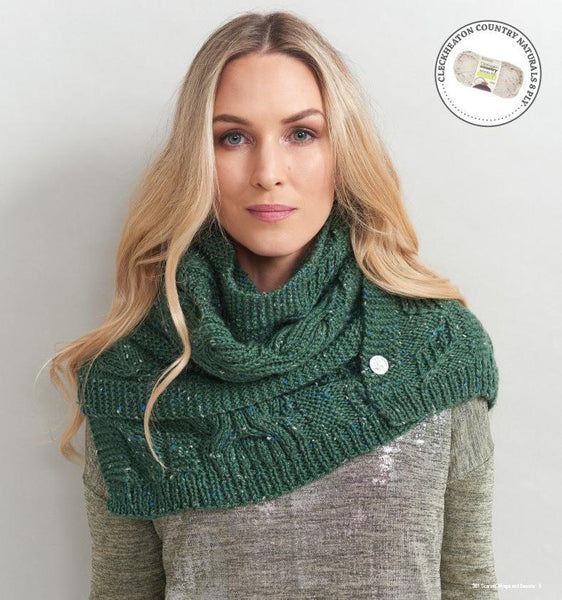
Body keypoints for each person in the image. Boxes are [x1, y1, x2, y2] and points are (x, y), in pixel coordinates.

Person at [49, 10, 500, 599]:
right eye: (233, 137)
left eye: (301, 134)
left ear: (342, 150)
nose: (268, 173)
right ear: (197, 158)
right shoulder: (133, 376)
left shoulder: (438, 348)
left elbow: (469, 585)